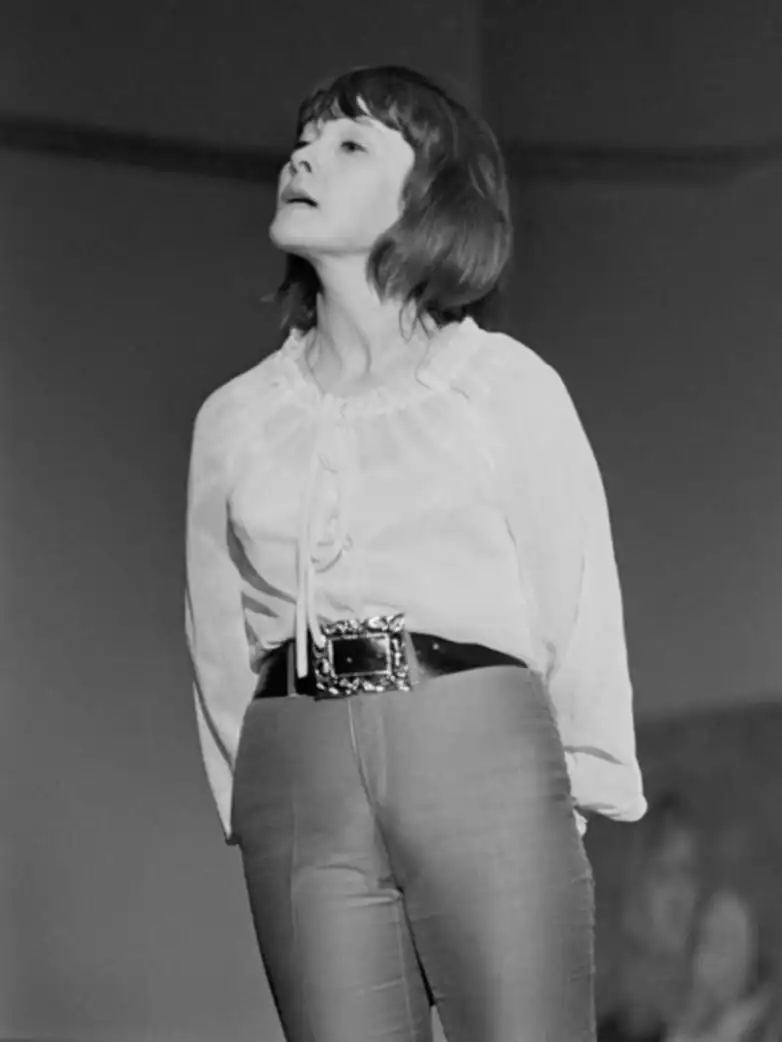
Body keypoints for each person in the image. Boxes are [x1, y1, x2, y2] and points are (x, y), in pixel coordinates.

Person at [185, 64, 647, 1042]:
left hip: (476, 745)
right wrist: (256, 794)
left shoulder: (500, 384)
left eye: (350, 143)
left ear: (426, 196)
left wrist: (576, 782)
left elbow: (574, 598)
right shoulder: (236, 417)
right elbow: (217, 636)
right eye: (303, 140)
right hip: (297, 763)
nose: (303, 158)